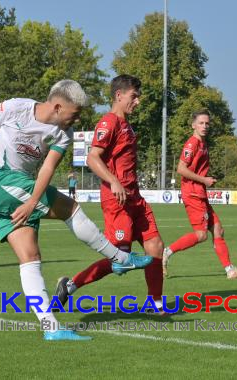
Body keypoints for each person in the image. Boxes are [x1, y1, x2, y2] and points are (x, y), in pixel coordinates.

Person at [0, 79, 152, 341]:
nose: (77, 120)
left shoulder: (63, 134)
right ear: (57, 107)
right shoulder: (14, 108)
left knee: (30, 257)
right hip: (0, 181)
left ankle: (51, 328)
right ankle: (120, 258)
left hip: (17, 190)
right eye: (75, 114)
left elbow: (47, 168)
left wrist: (32, 200)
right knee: (71, 209)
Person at [56, 75, 166, 314]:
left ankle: (155, 304)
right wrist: (114, 181)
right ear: (119, 95)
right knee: (120, 260)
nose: (137, 102)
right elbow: (92, 157)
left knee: (155, 246)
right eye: (133, 97)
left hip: (135, 199)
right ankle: (70, 285)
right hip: (117, 201)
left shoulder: (127, 125)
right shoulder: (109, 122)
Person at [162, 110, 237, 279]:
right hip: (193, 193)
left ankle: (230, 271)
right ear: (193, 125)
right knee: (201, 235)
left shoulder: (203, 144)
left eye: (207, 123)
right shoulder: (192, 144)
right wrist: (204, 180)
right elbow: (181, 169)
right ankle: (166, 253)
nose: (204, 126)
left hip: (200, 192)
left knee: (218, 229)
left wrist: (204, 182)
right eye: (201, 123)